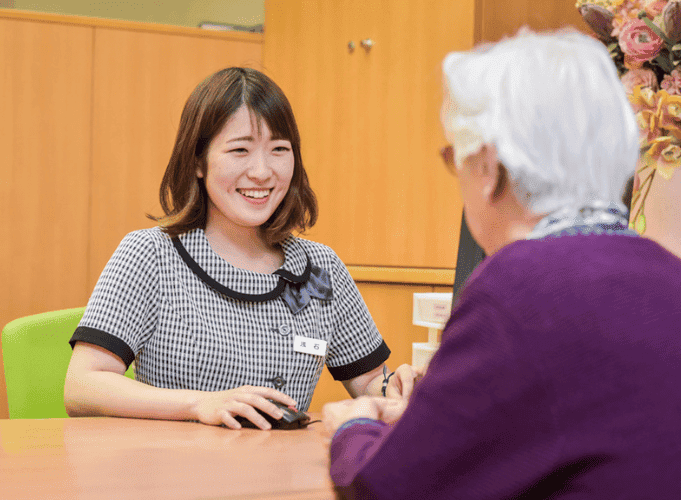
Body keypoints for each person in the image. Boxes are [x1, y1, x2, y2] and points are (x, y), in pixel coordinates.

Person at [324, 30, 681, 498]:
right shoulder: (667, 275)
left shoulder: (519, 287)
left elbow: (386, 488)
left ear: (488, 168)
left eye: (456, 159)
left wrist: (351, 429)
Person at [64, 67, 418, 430]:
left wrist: (396, 387)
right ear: (198, 161)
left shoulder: (319, 270)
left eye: (279, 149)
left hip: (281, 477)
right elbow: (82, 385)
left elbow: (369, 381)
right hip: (176, 476)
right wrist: (200, 404)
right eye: (240, 150)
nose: (262, 172)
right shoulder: (151, 254)